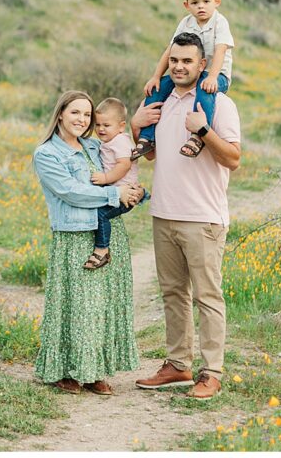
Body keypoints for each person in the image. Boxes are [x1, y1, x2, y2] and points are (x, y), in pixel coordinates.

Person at [130, 32, 242, 400]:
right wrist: (136, 126)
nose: (179, 67)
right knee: (173, 293)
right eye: (174, 60)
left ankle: (211, 372)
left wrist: (204, 130)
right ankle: (178, 365)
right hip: (164, 213)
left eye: (187, 61)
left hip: (203, 217)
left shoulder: (218, 104)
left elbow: (233, 159)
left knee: (207, 297)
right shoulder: (159, 101)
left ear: (202, 65)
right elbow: (150, 156)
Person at [32, 91, 143, 395]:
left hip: (108, 231)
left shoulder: (93, 146)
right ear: (60, 115)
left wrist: (132, 190)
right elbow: (71, 191)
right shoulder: (47, 154)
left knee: (102, 305)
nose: (82, 120)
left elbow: (122, 164)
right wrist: (113, 195)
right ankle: (65, 370)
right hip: (74, 234)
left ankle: (96, 371)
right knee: (75, 305)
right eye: (75, 113)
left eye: (87, 115)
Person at [132, 0, 234, 160]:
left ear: (216, 2)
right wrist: (156, 76)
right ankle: (147, 137)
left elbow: (220, 51)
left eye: (206, 1)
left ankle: (197, 136)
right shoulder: (186, 23)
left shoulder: (220, 22)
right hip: (190, 71)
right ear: (187, 5)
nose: (200, 6)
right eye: (195, 2)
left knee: (204, 90)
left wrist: (212, 76)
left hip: (216, 74)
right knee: (158, 88)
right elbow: (170, 50)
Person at [84, 97, 149, 270]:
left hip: (125, 195)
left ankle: (102, 249)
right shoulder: (109, 141)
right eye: (97, 125)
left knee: (101, 215)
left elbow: (124, 164)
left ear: (121, 126)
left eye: (106, 125)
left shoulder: (120, 141)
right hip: (118, 191)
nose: (101, 129)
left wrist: (105, 178)